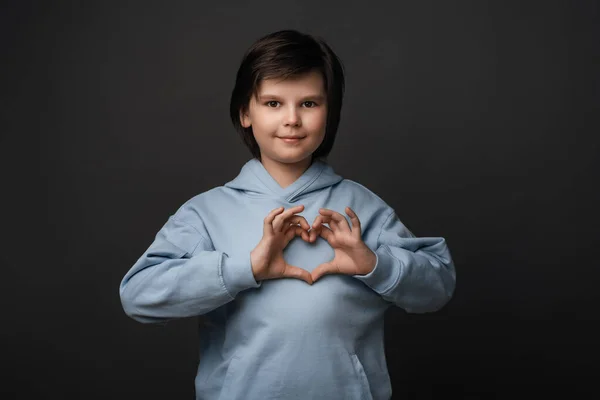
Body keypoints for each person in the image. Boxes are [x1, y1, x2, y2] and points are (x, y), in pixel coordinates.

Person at [119, 29, 456, 400]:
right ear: (246, 112)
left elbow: (437, 287)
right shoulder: (207, 212)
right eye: (273, 103)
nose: (292, 119)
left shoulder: (362, 208)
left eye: (309, 103)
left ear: (331, 112)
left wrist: (373, 264)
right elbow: (138, 296)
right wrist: (244, 269)